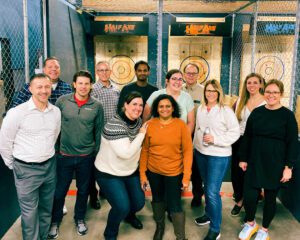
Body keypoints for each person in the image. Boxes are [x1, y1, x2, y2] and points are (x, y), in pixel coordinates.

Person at [0, 73, 61, 240]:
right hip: (25, 169)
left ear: (51, 88)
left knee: (46, 208)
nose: (43, 90)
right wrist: (14, 165)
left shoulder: (55, 112)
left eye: (47, 87)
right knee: (29, 213)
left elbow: (54, 136)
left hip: (49, 166)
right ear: (30, 89)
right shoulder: (17, 113)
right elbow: (5, 142)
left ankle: (42, 236)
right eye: (39, 87)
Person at [238, 79, 298, 240]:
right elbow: (248, 137)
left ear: (281, 95)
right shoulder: (257, 113)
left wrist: (288, 167)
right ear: (264, 93)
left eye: (275, 92)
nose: (271, 95)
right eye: (268, 92)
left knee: (270, 199)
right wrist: (243, 158)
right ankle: (250, 224)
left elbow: (292, 143)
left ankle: (264, 230)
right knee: (250, 196)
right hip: (255, 160)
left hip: (276, 162)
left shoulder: (287, 115)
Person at [48, 70, 104, 239]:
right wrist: (57, 150)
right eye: (80, 83)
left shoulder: (96, 105)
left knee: (83, 190)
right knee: (59, 191)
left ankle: (79, 218)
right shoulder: (62, 101)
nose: (83, 86)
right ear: (74, 84)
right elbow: (55, 128)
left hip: (86, 157)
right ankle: (54, 221)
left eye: (87, 83)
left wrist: (94, 153)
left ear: (91, 85)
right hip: (64, 156)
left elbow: (98, 130)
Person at [95, 92, 147, 240]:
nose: (137, 108)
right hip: (108, 173)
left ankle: (129, 216)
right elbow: (126, 153)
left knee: (138, 203)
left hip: (129, 171)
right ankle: (110, 233)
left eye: (140, 105)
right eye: (134, 104)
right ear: (125, 105)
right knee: (121, 206)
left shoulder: (137, 121)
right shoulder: (114, 125)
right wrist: (142, 134)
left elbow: (137, 148)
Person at [140, 94, 193, 240]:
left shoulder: (181, 125)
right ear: (157, 108)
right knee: (157, 200)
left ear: (173, 108)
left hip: (174, 173)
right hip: (153, 171)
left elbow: (188, 152)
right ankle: (160, 226)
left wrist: (186, 177)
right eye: (161, 106)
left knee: (175, 204)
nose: (164, 109)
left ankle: (180, 237)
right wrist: (143, 174)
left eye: (168, 106)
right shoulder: (150, 124)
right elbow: (145, 150)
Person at [193, 79, 240, 240]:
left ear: (219, 93)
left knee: (212, 191)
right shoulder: (200, 108)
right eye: (208, 90)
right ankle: (208, 214)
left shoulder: (225, 110)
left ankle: (215, 228)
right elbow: (198, 129)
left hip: (218, 156)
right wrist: (196, 146)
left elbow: (235, 132)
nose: (210, 93)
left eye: (214, 91)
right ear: (204, 92)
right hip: (201, 153)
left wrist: (216, 139)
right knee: (207, 188)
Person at [230, 73, 266, 217]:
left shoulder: (266, 102)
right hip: (239, 140)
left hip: (257, 142)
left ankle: (250, 203)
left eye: (255, 82)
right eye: (249, 82)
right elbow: (233, 121)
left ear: (261, 84)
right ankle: (239, 200)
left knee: (252, 174)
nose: (251, 85)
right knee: (237, 174)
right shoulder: (240, 101)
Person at [90, 61, 120, 209]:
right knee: (96, 165)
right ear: (97, 72)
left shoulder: (116, 89)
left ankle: (105, 190)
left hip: (113, 134)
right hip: (97, 134)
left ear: (110, 71)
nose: (103, 73)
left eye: (106, 70)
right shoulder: (92, 90)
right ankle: (93, 195)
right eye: (100, 70)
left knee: (110, 164)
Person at [143, 69, 195, 133]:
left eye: (180, 79)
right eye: (174, 79)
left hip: (179, 137)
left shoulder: (187, 97)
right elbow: (145, 118)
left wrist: (185, 138)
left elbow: (191, 122)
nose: (177, 82)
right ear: (167, 81)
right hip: (156, 136)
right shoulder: (156, 95)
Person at [182, 63, 205, 208]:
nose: (190, 75)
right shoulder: (178, 89)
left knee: (196, 167)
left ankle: (197, 195)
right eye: (188, 73)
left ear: (198, 75)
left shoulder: (204, 91)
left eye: (193, 73)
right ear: (184, 74)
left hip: (196, 134)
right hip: (179, 134)